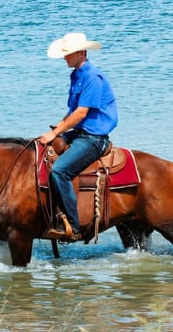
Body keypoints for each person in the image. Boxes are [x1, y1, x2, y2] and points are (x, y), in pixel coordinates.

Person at [39, 32, 118, 240]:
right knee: (44, 153)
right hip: (80, 132)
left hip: (94, 138)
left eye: (69, 54)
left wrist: (55, 132)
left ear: (82, 53)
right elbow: (74, 111)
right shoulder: (76, 75)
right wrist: (59, 127)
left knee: (59, 171)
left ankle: (74, 227)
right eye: (65, 54)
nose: (65, 57)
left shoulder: (92, 76)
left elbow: (82, 113)